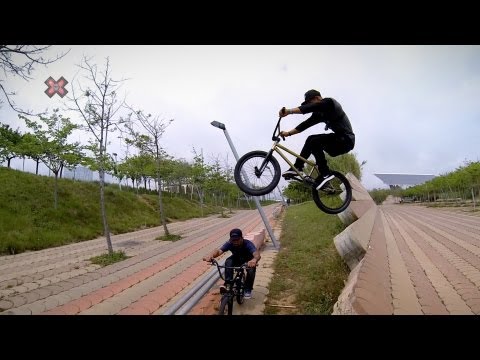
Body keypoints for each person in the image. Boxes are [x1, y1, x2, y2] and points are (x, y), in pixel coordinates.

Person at [278, 89, 355, 190]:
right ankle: (298, 167)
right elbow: (305, 125)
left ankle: (325, 173)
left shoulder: (329, 103)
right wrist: (288, 133)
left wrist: (289, 111)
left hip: (346, 140)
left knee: (314, 140)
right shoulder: (319, 114)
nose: (311, 107)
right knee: (311, 140)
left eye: (310, 102)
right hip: (337, 142)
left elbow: (312, 107)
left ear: (317, 98)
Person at [203, 228, 261, 299]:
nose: (235, 242)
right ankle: (228, 284)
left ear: (242, 238)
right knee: (228, 261)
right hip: (236, 258)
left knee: (251, 271)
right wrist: (211, 255)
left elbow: (257, 254)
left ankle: (248, 289)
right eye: (233, 240)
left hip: (248, 260)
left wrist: (254, 260)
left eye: (237, 239)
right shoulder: (229, 243)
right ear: (230, 239)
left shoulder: (248, 244)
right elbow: (219, 251)